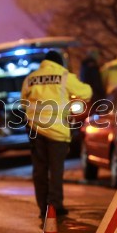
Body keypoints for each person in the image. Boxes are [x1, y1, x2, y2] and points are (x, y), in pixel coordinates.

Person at [21, 50, 92, 218]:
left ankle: (43, 208)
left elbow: (23, 102)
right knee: (55, 170)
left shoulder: (31, 78)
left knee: (39, 170)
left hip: (35, 130)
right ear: (59, 63)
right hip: (57, 132)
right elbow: (87, 92)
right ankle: (55, 206)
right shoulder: (64, 75)